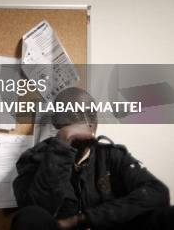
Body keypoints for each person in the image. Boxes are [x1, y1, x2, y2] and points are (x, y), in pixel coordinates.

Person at [12, 87, 174, 229]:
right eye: (74, 113)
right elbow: (34, 214)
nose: (87, 121)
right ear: (56, 121)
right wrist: (62, 145)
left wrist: (83, 219)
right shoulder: (34, 158)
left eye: (91, 114)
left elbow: (157, 192)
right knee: (29, 217)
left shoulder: (110, 155)